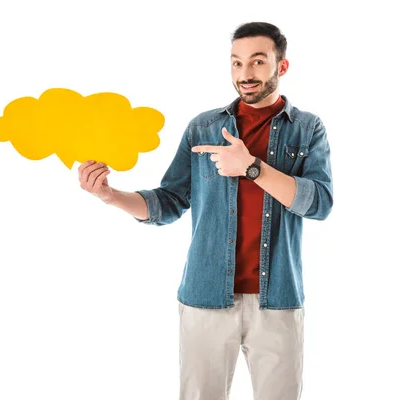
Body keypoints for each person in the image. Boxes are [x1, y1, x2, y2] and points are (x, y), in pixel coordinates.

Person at [78, 21, 333, 400]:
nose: (245, 74)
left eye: (257, 62)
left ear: (281, 66)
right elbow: (169, 201)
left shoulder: (307, 128)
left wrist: (252, 168)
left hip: (277, 298)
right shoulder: (204, 127)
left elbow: (320, 203)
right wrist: (111, 196)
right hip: (205, 297)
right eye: (236, 63)